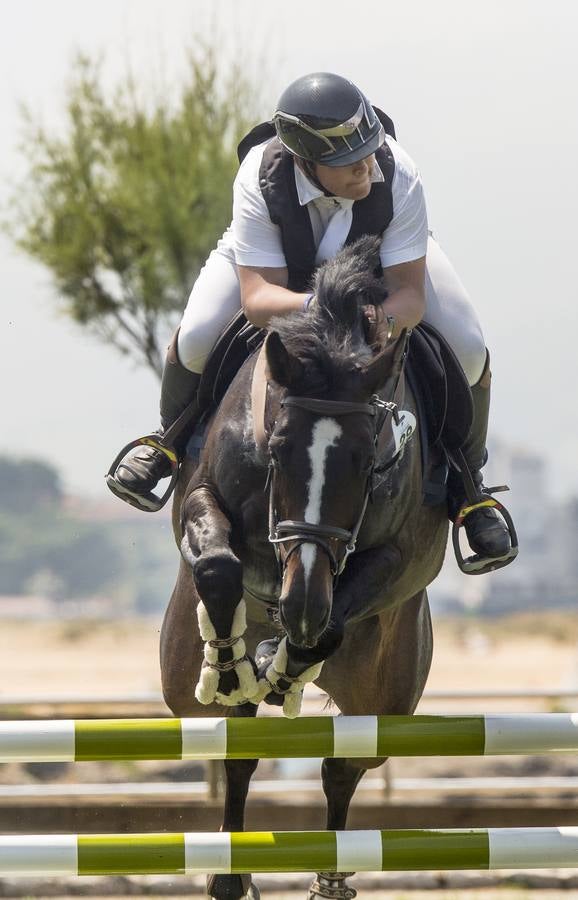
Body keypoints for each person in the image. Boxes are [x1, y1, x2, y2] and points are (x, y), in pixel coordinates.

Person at [107, 71, 512, 562]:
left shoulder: (398, 172)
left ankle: (471, 489)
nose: (366, 168)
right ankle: (167, 445)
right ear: (306, 161)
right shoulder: (260, 173)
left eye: (368, 152)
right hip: (278, 270)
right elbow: (259, 299)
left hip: (380, 265)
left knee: (468, 347)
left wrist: (382, 318)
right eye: (347, 163)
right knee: (194, 336)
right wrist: (325, 306)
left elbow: (408, 293)